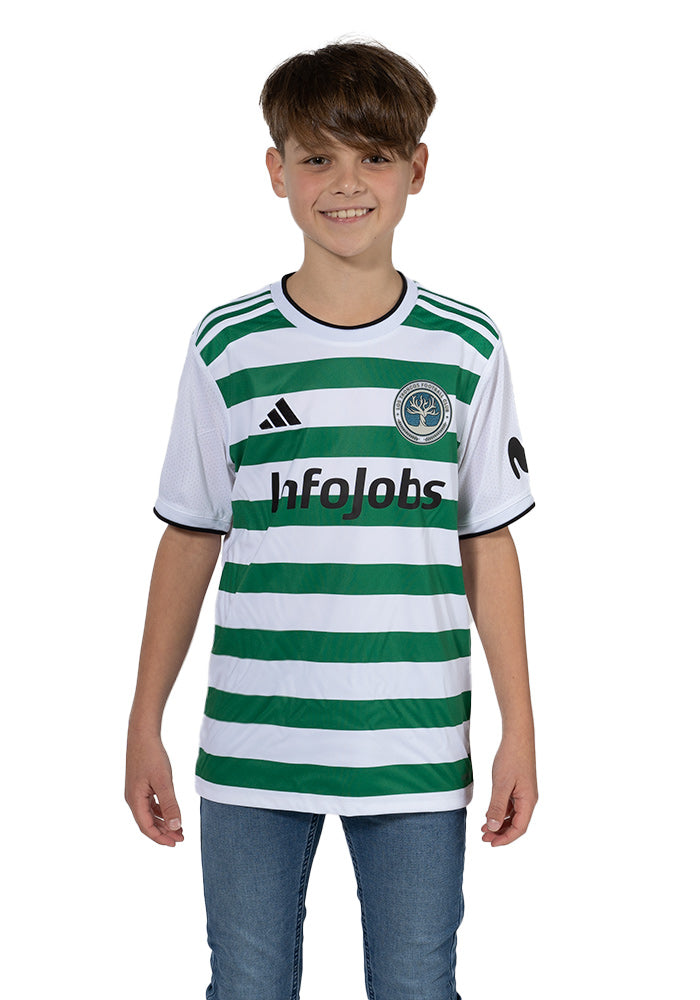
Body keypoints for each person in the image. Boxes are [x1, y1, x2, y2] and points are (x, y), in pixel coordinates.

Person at [125, 40, 538, 1000]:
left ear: (416, 170)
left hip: (415, 746)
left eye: (374, 157)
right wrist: (145, 719)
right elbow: (190, 535)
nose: (346, 183)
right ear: (277, 171)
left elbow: (487, 541)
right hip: (253, 747)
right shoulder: (228, 345)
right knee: (248, 985)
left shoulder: (466, 347)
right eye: (318, 157)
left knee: (417, 986)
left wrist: (520, 726)